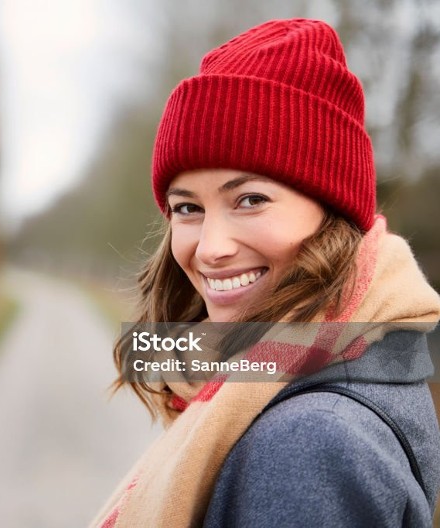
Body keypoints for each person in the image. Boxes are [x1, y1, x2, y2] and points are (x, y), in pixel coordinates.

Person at [90, 18, 440, 527]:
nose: (211, 249)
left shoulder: (313, 443)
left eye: (250, 200)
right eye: (187, 208)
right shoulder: (351, 364)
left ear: (332, 212)